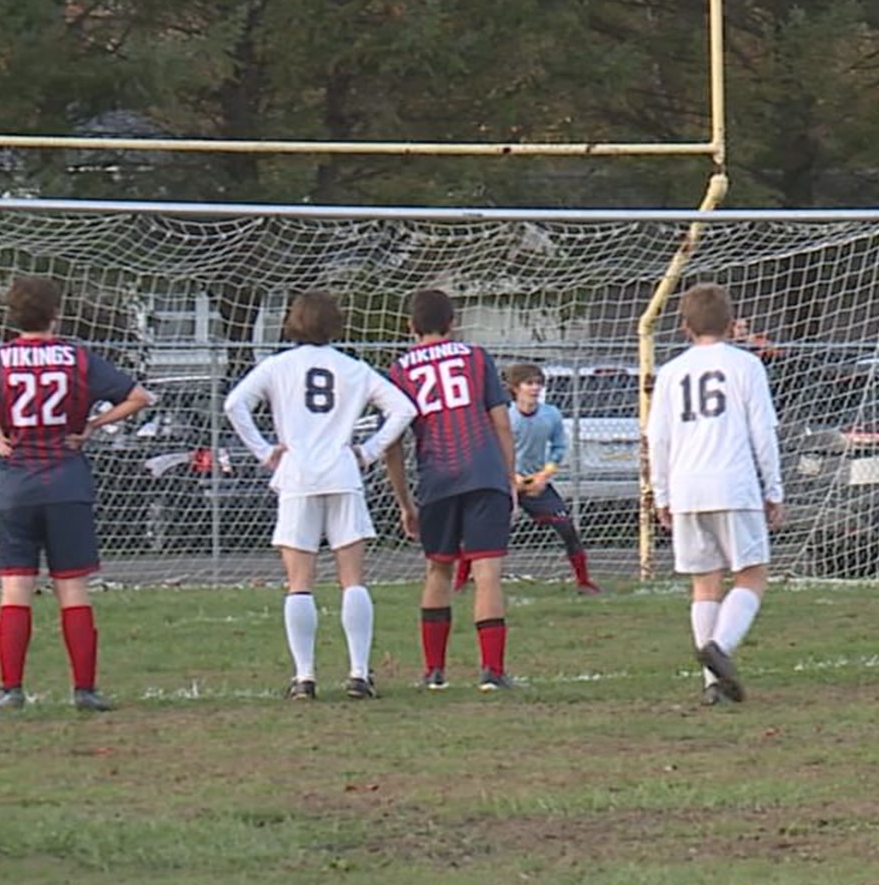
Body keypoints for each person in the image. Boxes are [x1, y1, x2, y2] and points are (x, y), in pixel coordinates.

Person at [223, 292, 419, 700]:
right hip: (343, 473)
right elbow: (403, 409)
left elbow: (234, 404)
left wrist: (265, 451)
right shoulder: (353, 368)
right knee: (352, 580)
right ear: (336, 323)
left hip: (297, 475)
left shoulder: (277, 366)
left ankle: (305, 677)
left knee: (300, 582)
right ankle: (359, 674)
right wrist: (367, 450)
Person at [0, 276, 152, 711]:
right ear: (56, 314)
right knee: (73, 588)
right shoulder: (77, 357)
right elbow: (139, 396)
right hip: (66, 482)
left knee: (15, 588)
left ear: (12, 316)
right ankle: (84, 689)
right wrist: (93, 427)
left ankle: (11, 689)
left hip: (14, 486)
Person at [648, 283, 784, 706]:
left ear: (684, 326)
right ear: (731, 323)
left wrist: (661, 493)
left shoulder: (670, 372)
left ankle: (713, 683)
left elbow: (658, 438)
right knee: (753, 574)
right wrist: (773, 487)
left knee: (704, 585)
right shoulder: (745, 366)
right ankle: (719, 649)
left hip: (687, 486)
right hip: (733, 481)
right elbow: (763, 431)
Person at [383, 289, 518, 691]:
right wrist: (509, 478)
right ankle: (492, 671)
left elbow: (392, 441)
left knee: (438, 569)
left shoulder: (400, 370)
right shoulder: (476, 357)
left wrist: (404, 501)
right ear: (453, 322)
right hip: (484, 472)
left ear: (411, 327)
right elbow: (501, 423)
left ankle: (434, 671)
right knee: (487, 571)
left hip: (437, 476)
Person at [453, 363, 602, 596]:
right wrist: (511, 476)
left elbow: (559, 447)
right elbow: (490, 448)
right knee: (478, 532)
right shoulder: (504, 415)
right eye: (528, 383)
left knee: (566, 528)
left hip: (535, 484)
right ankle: (460, 582)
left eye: (538, 384)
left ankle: (584, 581)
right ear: (515, 388)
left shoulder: (550, 414)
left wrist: (544, 475)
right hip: (503, 483)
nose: (534, 388)